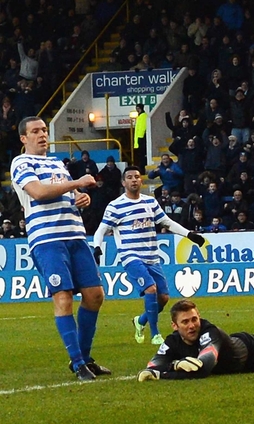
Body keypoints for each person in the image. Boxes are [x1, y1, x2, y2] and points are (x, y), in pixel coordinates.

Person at [10, 116, 110, 381]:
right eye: (35, 131)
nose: (42, 134)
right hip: (48, 240)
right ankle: (78, 364)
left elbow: (63, 194)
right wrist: (77, 183)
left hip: (76, 237)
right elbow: (40, 192)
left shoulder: (57, 163)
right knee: (63, 297)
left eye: (44, 130)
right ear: (24, 138)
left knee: (95, 295)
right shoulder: (21, 162)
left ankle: (84, 359)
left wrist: (79, 199)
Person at [93, 166, 206, 345]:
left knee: (163, 298)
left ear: (141, 180)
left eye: (137, 177)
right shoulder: (115, 206)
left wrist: (189, 235)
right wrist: (97, 247)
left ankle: (140, 321)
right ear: (123, 182)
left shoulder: (150, 202)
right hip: (130, 256)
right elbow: (101, 229)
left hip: (152, 256)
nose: (134, 180)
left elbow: (167, 222)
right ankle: (155, 334)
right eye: (129, 177)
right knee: (151, 289)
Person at [134, 103, 148, 168]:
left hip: (141, 138)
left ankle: (142, 168)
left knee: (142, 156)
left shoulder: (143, 116)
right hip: (139, 139)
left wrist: (140, 137)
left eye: (137, 108)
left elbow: (143, 127)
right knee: (139, 156)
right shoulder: (140, 116)